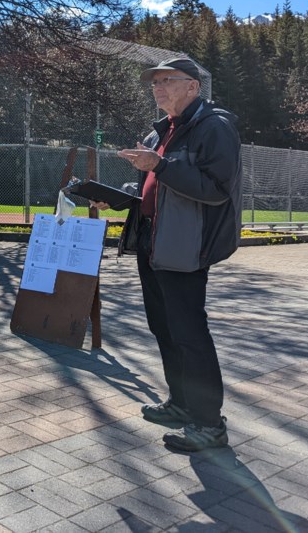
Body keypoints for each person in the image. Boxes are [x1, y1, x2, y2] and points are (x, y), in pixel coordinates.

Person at [93, 57, 241, 453]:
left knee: (190, 335)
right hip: (151, 244)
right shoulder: (161, 132)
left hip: (184, 248)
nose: (157, 88)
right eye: (154, 83)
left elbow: (215, 189)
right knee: (165, 329)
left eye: (166, 81)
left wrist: (160, 164)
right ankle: (180, 404)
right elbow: (158, 183)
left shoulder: (214, 127)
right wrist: (122, 196)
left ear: (193, 86)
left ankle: (210, 424)